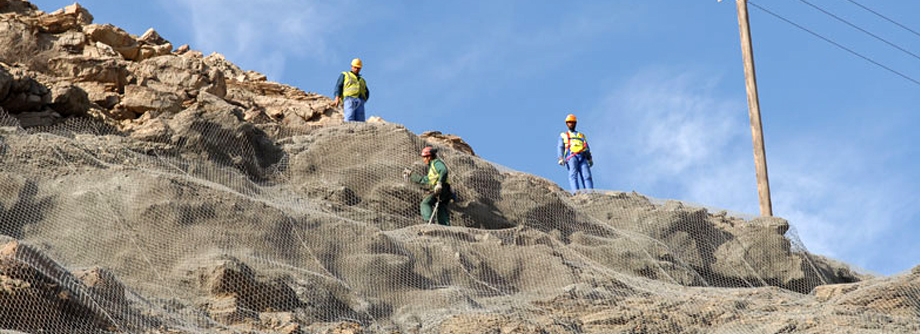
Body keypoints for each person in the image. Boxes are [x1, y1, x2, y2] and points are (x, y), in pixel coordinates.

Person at [403, 146, 451, 225]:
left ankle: (429, 222)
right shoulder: (431, 169)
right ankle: (445, 227)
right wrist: (411, 175)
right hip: (444, 190)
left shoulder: (436, 163)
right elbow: (424, 180)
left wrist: (439, 184)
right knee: (441, 208)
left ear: (429, 157)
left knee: (425, 203)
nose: (423, 159)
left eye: (424, 157)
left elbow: (443, 170)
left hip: (442, 188)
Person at [557, 114, 594, 192]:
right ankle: (576, 193)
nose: (571, 124)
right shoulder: (564, 135)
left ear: (575, 123)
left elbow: (586, 147)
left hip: (582, 156)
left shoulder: (581, 135)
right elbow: (560, 147)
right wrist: (560, 157)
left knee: (587, 175)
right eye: (569, 122)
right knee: (573, 175)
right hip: (571, 156)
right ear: (566, 124)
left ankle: (590, 193)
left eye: (572, 122)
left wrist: (589, 158)